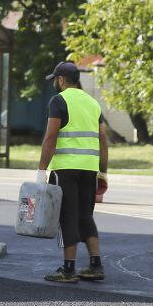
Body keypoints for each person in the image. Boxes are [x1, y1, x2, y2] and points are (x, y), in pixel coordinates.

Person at [36, 61, 109, 284]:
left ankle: (68, 270)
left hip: (65, 169)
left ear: (60, 80)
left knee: (68, 216)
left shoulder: (59, 101)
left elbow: (51, 138)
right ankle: (96, 265)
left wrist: (41, 170)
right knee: (85, 216)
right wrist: (103, 171)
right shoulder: (92, 103)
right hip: (89, 168)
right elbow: (103, 140)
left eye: (55, 80)